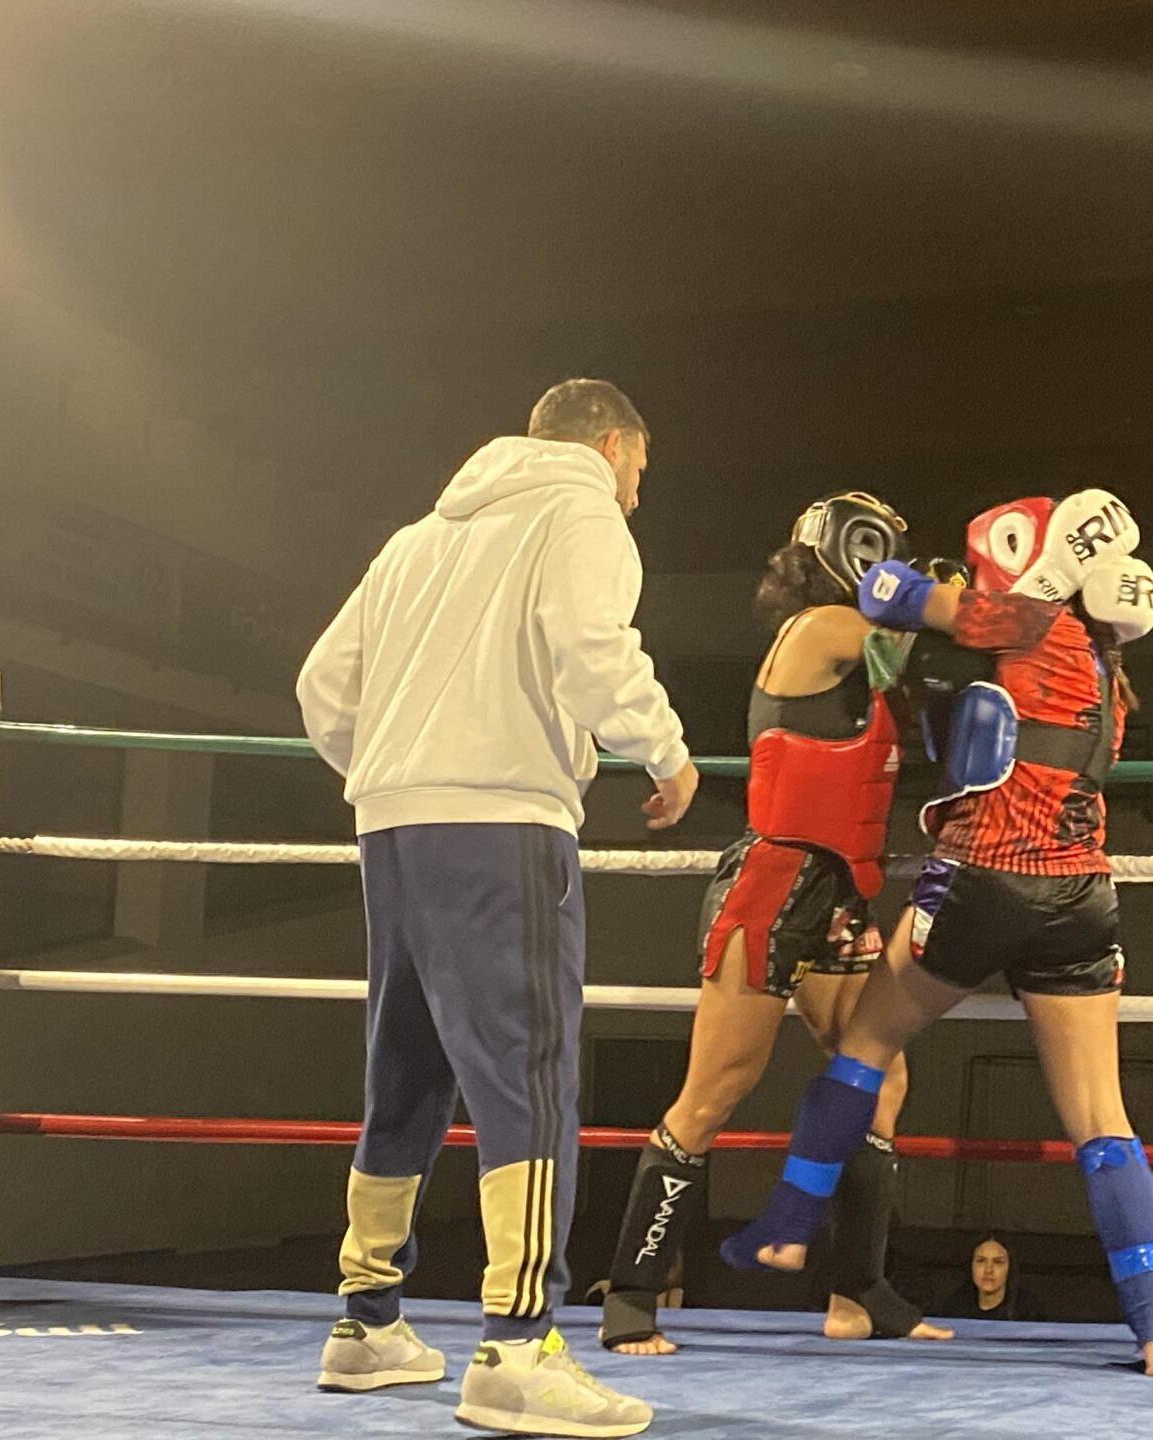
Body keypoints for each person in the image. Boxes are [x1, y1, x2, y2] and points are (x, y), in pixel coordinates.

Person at [713, 489, 1153, 1376]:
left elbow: (886, 592)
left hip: (982, 881)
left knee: (864, 1045)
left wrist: (959, 593)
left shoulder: (1018, 620)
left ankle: (787, 1226)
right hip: (1082, 897)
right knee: (1103, 1119)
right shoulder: (1108, 671)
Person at [297, 379, 695, 1438]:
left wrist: (400, 769)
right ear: (612, 444)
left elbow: (321, 687)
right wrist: (665, 750)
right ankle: (518, 1347)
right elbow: (593, 651)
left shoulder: (414, 541)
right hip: (503, 823)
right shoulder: (580, 509)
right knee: (529, 1074)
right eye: (639, 469)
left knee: (408, 1070)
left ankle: (366, 1322)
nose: (638, 492)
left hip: (392, 826)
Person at [595, 494, 947, 1356]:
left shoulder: (863, 652)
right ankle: (631, 1296)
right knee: (716, 1090)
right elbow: (921, 632)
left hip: (839, 894)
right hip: (773, 888)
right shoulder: (822, 629)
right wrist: (986, 598)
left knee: (879, 1080)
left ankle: (857, 1292)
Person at [934, 1234, 1049, 1322]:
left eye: (998, 1262)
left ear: (1010, 1268)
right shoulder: (953, 1309)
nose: (988, 1270)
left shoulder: (1029, 1311)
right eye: (981, 1261)